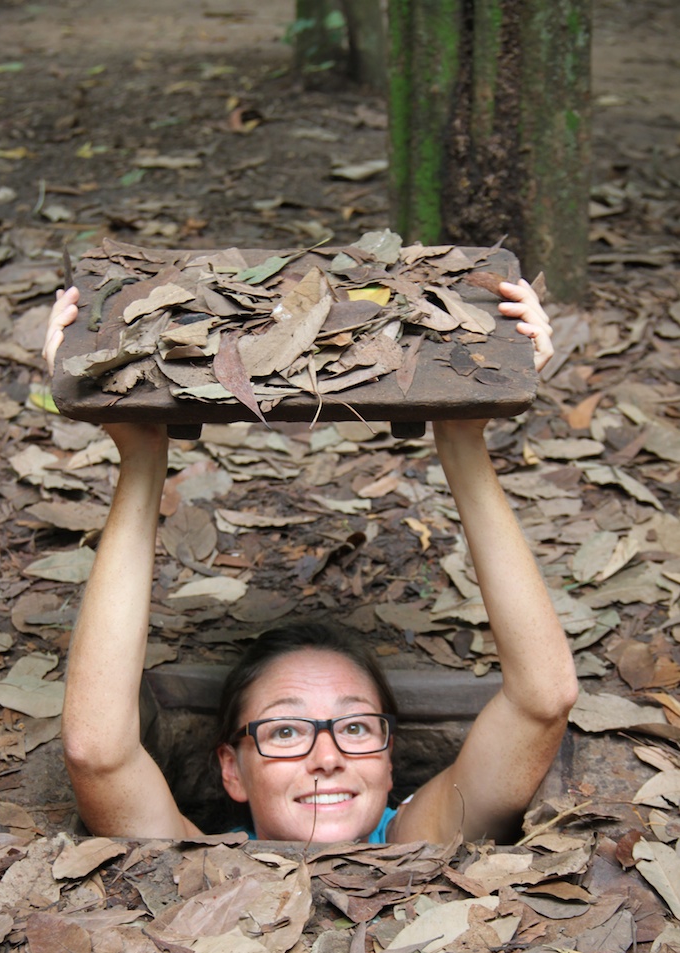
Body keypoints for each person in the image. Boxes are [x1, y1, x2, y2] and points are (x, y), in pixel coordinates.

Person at [43, 279, 578, 846]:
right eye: (285, 730)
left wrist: (464, 430)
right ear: (232, 769)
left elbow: (542, 701)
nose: (328, 757)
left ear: (390, 761)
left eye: (355, 727)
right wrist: (141, 450)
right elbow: (97, 752)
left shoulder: (418, 839)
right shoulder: (195, 862)